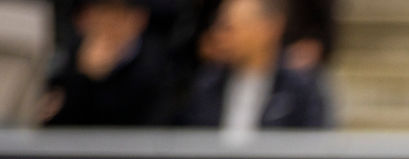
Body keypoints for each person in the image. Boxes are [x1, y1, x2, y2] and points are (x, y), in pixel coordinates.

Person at [179, 0, 327, 132]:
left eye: (230, 28)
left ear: (270, 27)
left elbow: (313, 147)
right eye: (219, 26)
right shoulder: (206, 87)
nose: (219, 36)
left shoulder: (300, 90)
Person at [41, 0, 170, 126]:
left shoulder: (158, 63)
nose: (106, 23)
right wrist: (83, 75)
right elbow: (56, 121)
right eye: (100, 12)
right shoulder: (71, 56)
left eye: (115, 14)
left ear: (138, 18)